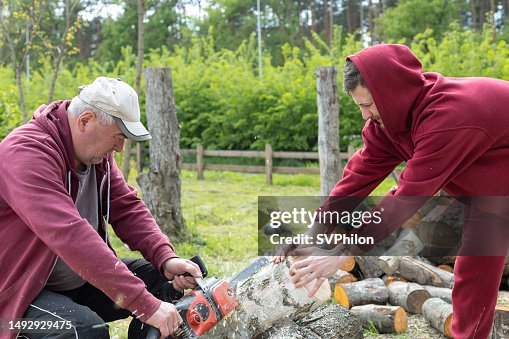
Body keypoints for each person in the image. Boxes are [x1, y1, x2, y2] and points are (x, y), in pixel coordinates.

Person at [274, 44, 509, 338]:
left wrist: (343, 251)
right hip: (491, 194)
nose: (364, 115)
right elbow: (358, 177)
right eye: (359, 106)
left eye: (368, 105)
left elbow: (406, 199)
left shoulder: (448, 119)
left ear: (394, 93)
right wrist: (314, 233)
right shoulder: (389, 121)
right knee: (472, 275)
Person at [0, 77, 202, 339]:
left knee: (164, 285)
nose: (120, 147)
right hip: (16, 297)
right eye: (118, 137)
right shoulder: (26, 154)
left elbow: (127, 208)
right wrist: (144, 304)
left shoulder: (95, 156)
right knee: (84, 331)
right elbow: (71, 236)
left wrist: (166, 258)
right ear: (85, 121)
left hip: (74, 282)